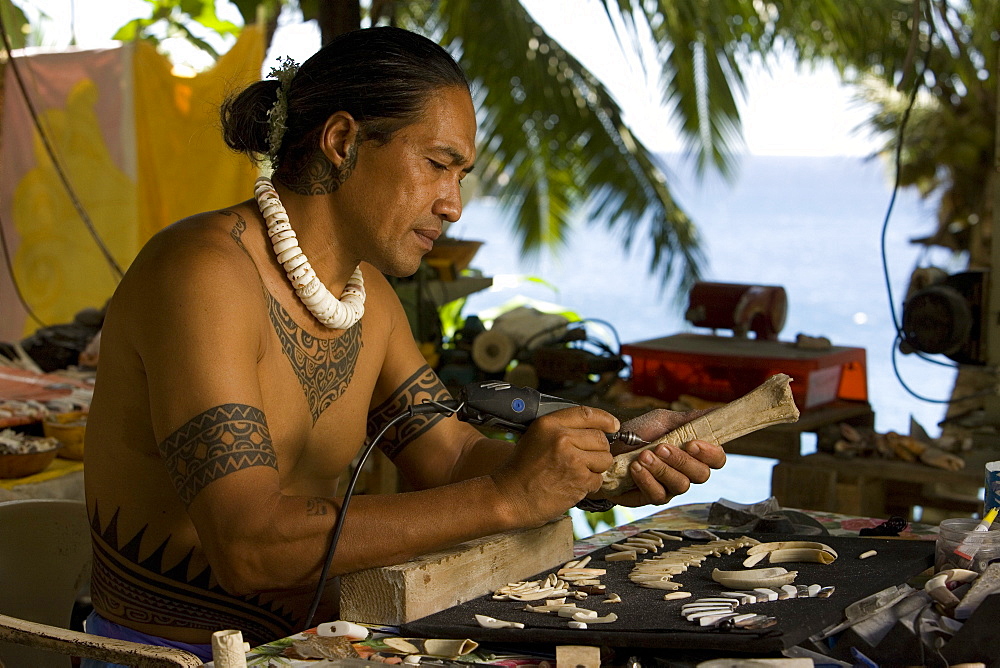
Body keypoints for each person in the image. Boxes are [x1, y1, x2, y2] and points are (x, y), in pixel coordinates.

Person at [82, 25, 726, 663]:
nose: (454, 205)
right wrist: (506, 500)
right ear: (343, 142)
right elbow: (246, 547)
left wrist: (606, 465)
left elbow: (449, 458)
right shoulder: (203, 273)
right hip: (164, 657)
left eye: (462, 174)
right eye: (439, 164)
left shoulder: (373, 302)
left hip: (317, 650)